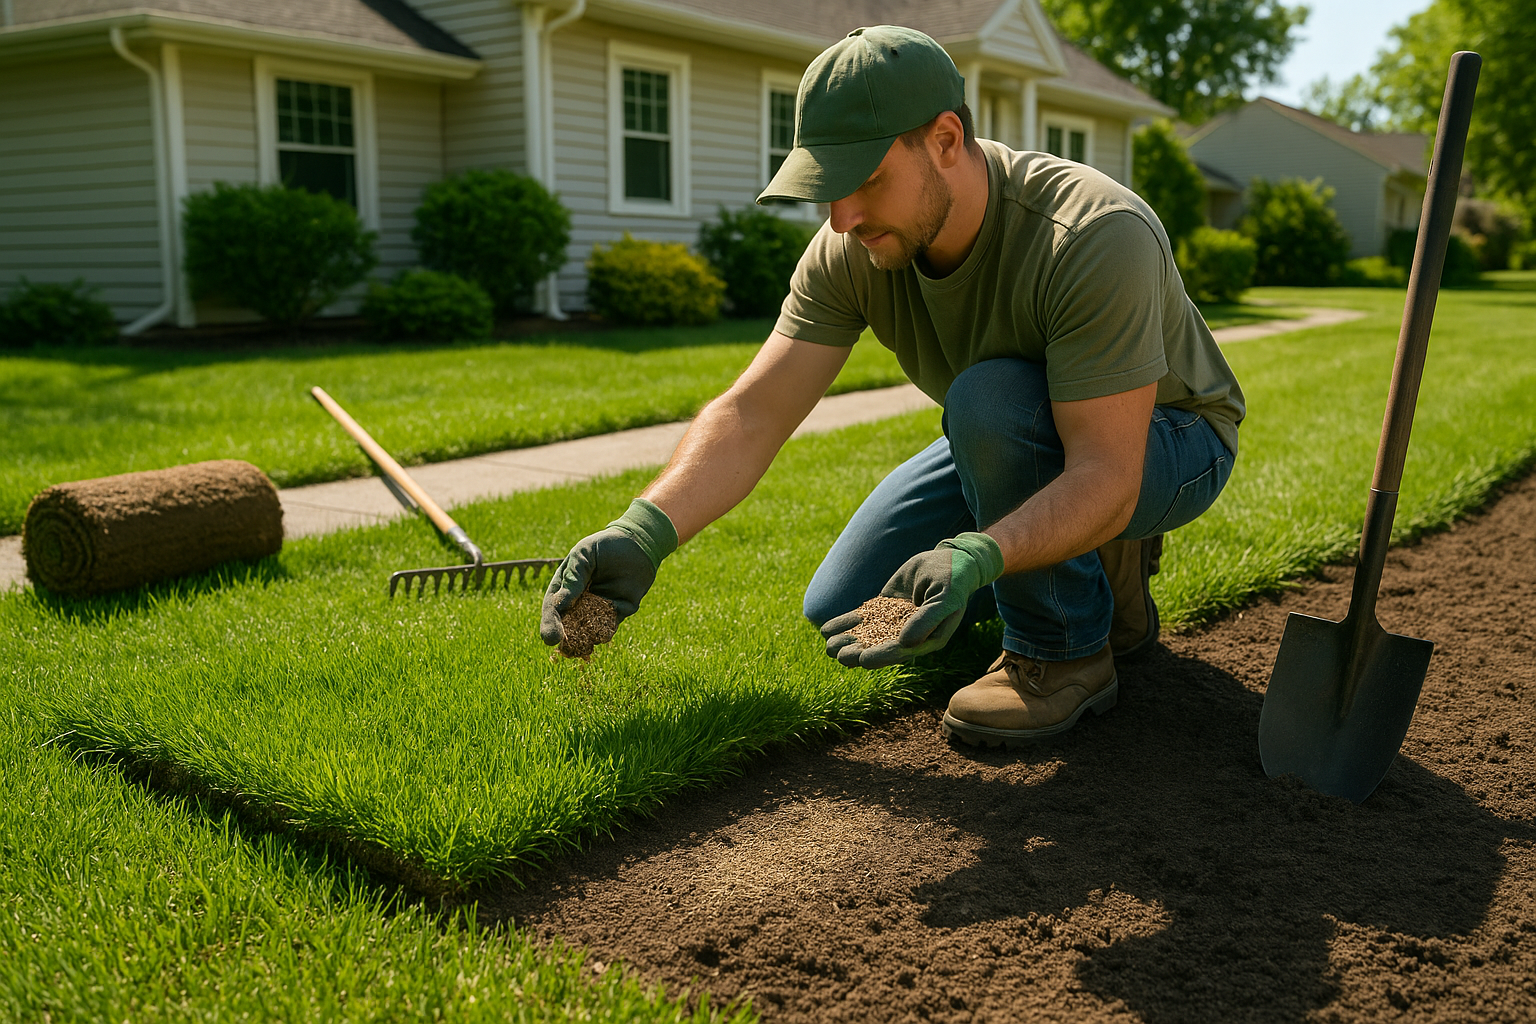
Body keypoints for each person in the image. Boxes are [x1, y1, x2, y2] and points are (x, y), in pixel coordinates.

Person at [541, 25, 1245, 747]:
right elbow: (754, 412)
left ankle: (1061, 653)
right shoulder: (852, 247)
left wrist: (980, 552)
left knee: (988, 401)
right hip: (1014, 435)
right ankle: (1090, 566)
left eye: (865, 181)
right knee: (845, 606)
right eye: (826, 190)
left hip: (1166, 438)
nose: (841, 218)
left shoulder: (1093, 232)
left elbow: (1106, 471)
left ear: (944, 139)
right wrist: (645, 531)